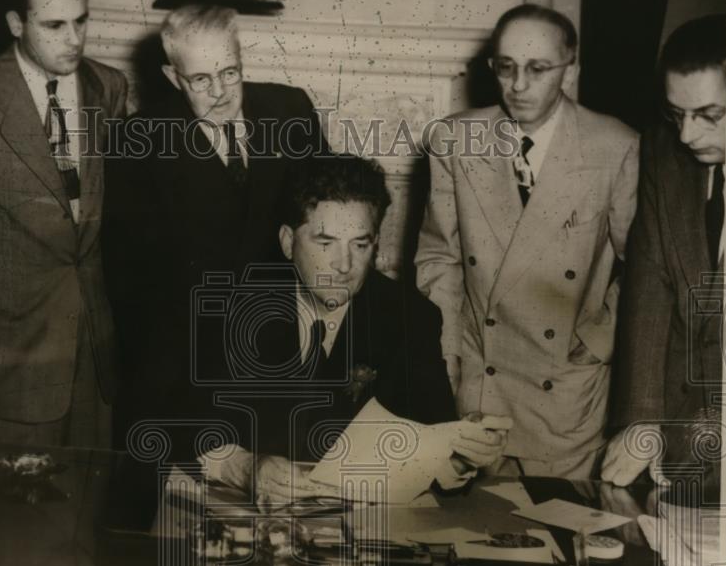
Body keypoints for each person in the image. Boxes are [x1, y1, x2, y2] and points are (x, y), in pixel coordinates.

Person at [196, 155, 512, 504]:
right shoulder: (235, 306)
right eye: (325, 243)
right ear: (287, 242)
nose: (344, 265)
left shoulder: (409, 318)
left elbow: (435, 442)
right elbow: (185, 424)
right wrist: (245, 468)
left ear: (375, 245)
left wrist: (461, 455)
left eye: (360, 245)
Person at [415, 3, 639, 480]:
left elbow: (643, 268)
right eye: (506, 67)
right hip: (482, 381)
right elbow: (439, 259)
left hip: (565, 391)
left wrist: (598, 340)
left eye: (538, 69)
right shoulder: (455, 139)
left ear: (570, 71)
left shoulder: (615, 146)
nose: (518, 85)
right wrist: (445, 357)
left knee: (564, 520)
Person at [104, 3, 327, 447]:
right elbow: (127, 279)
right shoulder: (138, 139)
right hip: (184, 366)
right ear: (173, 77)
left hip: (279, 352)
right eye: (201, 79)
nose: (221, 92)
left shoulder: (290, 110)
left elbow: (329, 213)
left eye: (230, 72)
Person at [0, 0, 127, 449]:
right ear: (15, 24)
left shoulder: (108, 87)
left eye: (81, 20)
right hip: (6, 358)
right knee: (6, 498)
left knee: (88, 492)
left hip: (93, 352)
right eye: (54, 25)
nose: (74, 39)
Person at [603, 15, 726, 495]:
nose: (687, 135)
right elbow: (650, 287)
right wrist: (642, 418)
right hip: (679, 429)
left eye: (709, 115)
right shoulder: (664, 151)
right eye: (677, 114)